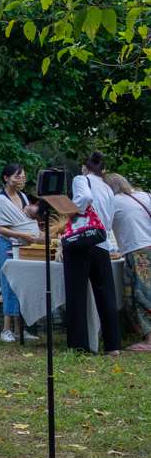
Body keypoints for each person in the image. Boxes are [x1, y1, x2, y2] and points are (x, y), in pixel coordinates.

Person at [64, 151, 122, 354]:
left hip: (81, 242)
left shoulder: (81, 179)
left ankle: (79, 345)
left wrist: (72, 210)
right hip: (101, 243)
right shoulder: (107, 188)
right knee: (106, 295)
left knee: (76, 294)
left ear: (84, 167)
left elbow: (85, 198)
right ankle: (113, 345)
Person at [0, 164, 41, 343]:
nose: (21, 179)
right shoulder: (1, 200)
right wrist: (21, 234)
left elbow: (26, 220)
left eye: (23, 176)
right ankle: (6, 330)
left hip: (23, 246)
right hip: (6, 245)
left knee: (22, 285)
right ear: (6, 178)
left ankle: (21, 329)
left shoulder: (23, 197)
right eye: (17, 176)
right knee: (8, 284)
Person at [105, 173, 151, 352]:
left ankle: (149, 341)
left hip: (138, 251)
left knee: (142, 295)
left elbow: (103, 227)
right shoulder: (146, 195)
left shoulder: (114, 202)